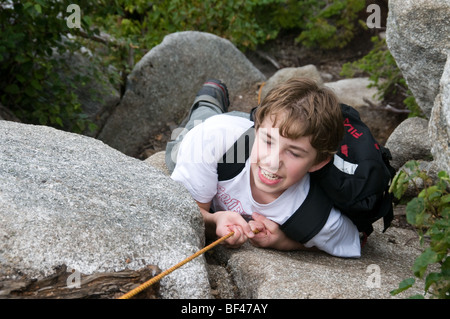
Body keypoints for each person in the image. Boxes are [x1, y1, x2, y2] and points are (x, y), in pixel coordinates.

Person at [166, 78, 361, 258]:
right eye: (268, 141)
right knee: (193, 128)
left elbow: (351, 240)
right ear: (256, 128)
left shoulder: (311, 214)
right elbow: (186, 214)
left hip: (252, 130)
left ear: (318, 162)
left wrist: (283, 241)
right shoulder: (211, 139)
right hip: (222, 136)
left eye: (294, 153)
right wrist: (214, 220)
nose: (273, 162)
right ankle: (208, 100)